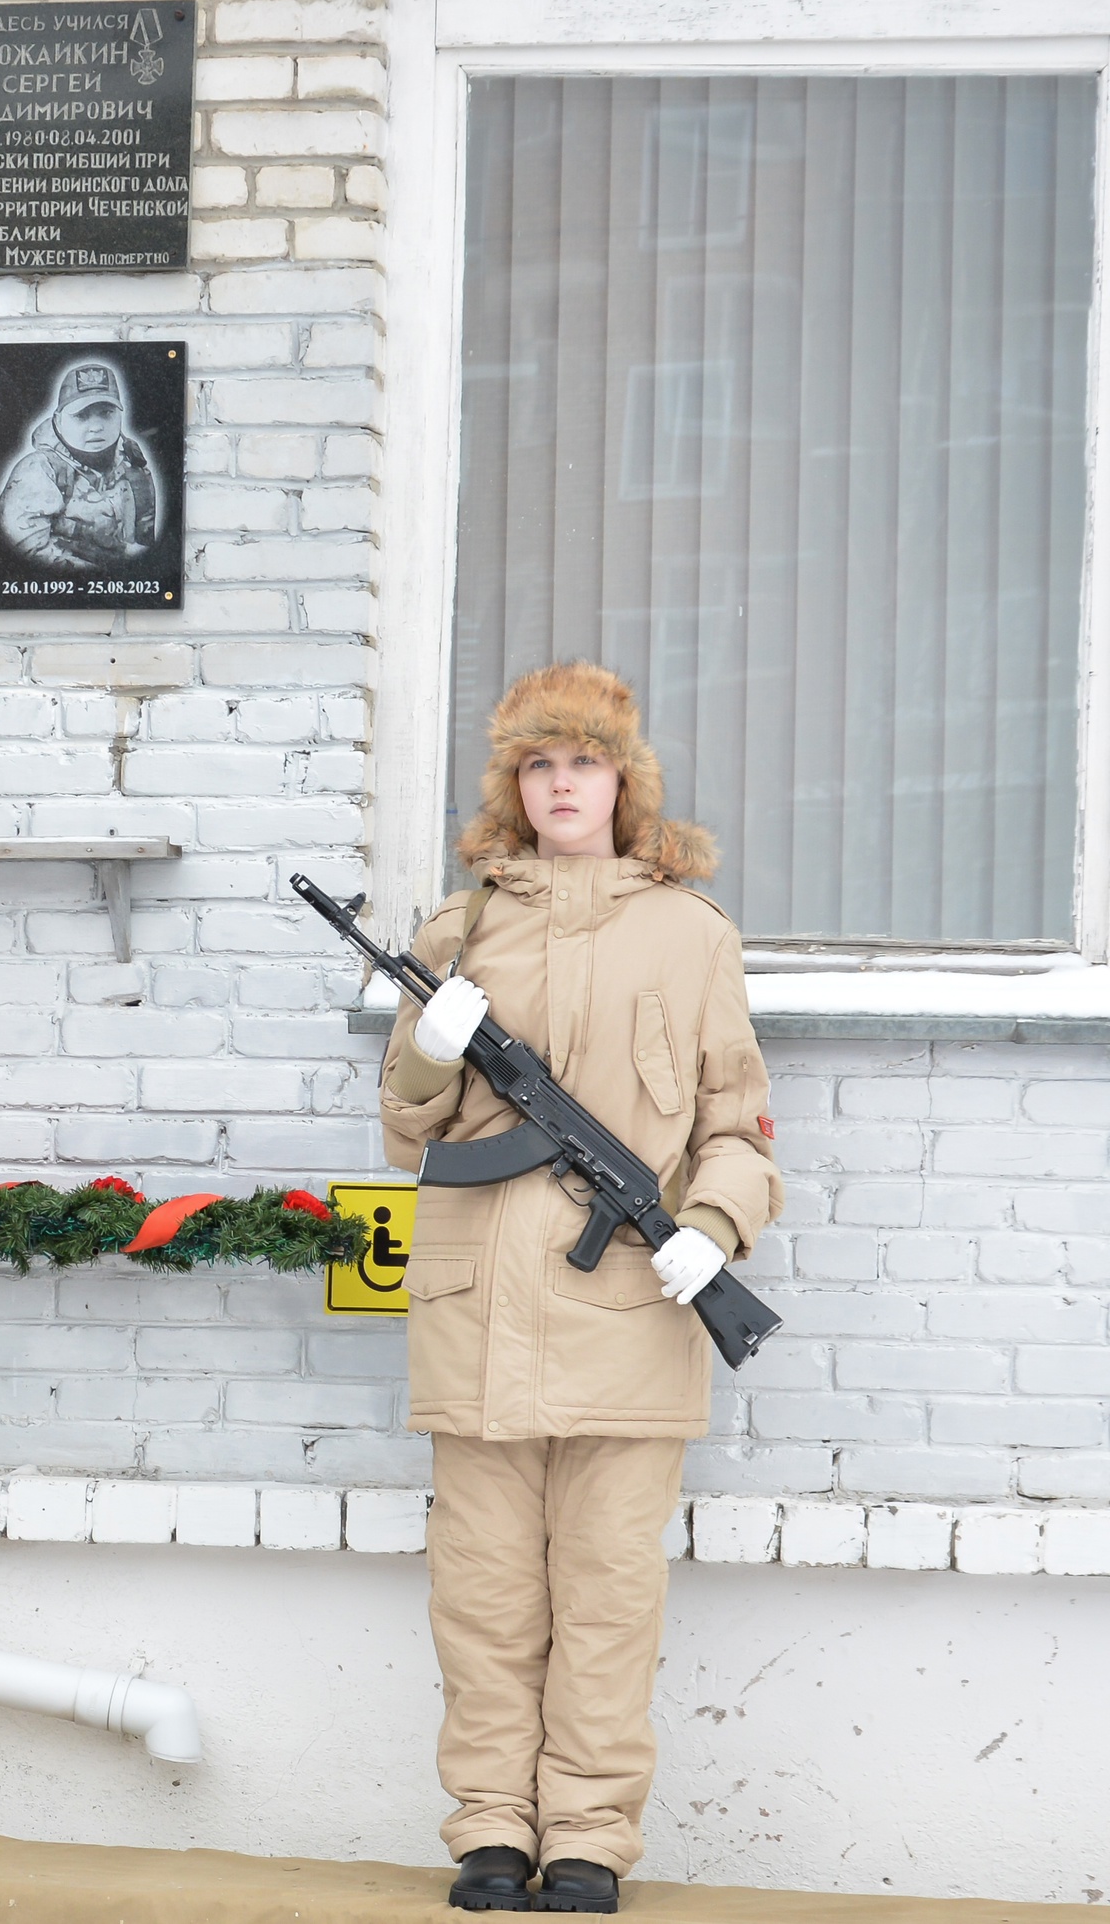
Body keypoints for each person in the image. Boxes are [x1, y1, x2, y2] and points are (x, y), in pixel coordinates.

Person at [379, 662, 782, 1915]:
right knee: (486, 1603)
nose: (562, 786)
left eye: (585, 764)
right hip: (476, 1313)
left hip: (629, 1307)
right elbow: (408, 1142)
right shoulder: (458, 932)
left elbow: (736, 1121)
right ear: (516, 787)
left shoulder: (690, 932)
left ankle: (590, 1841)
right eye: (539, 767)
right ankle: (492, 1834)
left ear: (622, 782)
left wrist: (711, 1227)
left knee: (608, 1601)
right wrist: (423, 1052)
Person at [0, 361, 160, 572]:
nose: (96, 426)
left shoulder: (133, 466)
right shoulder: (38, 470)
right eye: (81, 416)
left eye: (106, 413)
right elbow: (26, 553)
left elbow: (145, 544)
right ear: (59, 421)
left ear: (120, 416)